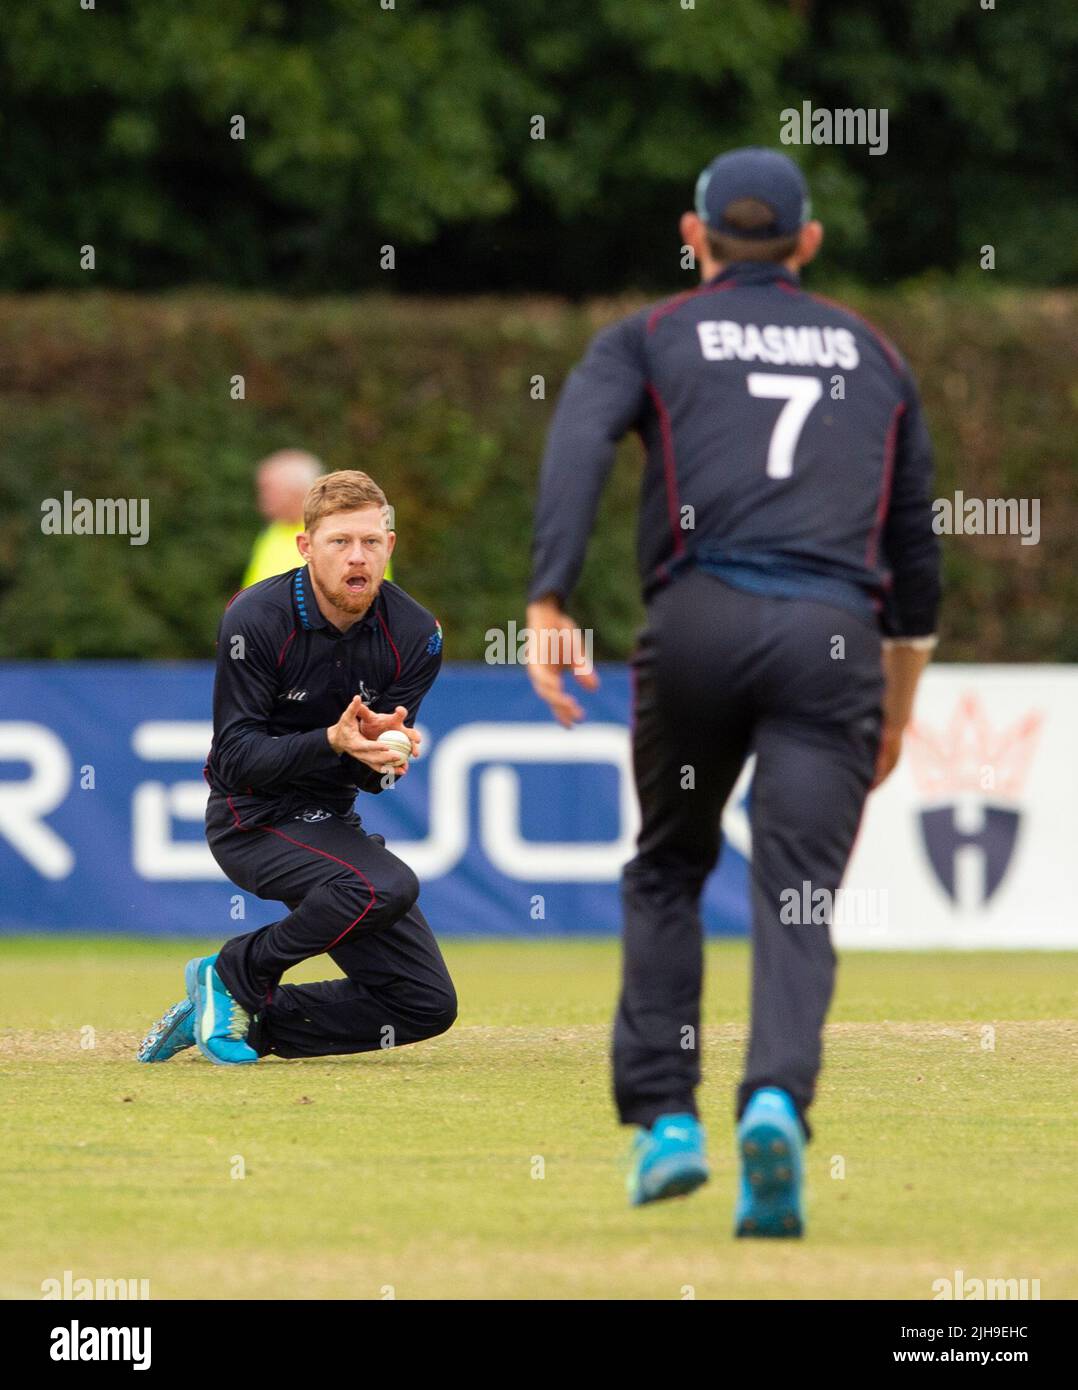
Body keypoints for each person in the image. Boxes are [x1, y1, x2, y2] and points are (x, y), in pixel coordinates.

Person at [525, 147, 940, 1236]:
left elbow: (576, 445)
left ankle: (665, 1120)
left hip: (697, 625)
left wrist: (549, 598)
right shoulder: (874, 352)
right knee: (797, 890)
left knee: (668, 865)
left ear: (691, 232)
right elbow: (916, 558)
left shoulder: (651, 335)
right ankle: (773, 1102)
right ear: (806, 243)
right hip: (834, 642)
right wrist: (897, 705)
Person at [137, 470, 453, 1066]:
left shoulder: (417, 635)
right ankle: (230, 972)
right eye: (339, 542)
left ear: (391, 545)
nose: (357, 557)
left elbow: (368, 780)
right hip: (248, 817)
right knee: (386, 884)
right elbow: (234, 759)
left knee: (424, 1004)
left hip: (330, 822)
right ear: (307, 547)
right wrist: (331, 741)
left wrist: (384, 756)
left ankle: (244, 1022)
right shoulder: (255, 619)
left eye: (371, 541)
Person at [242, 449, 394, 587]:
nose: (262, 498)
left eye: (269, 490)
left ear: (296, 491)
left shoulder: (345, 530)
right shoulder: (273, 532)